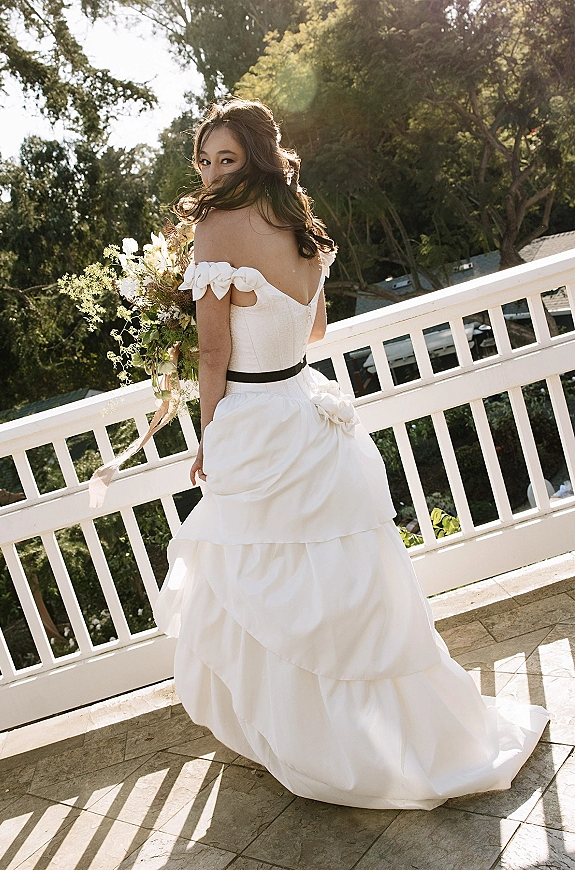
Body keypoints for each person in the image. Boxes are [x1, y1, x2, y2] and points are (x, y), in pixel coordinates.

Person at [154, 99, 548, 810]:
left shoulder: (215, 227)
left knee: (263, 582)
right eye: (204, 162)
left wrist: (208, 437)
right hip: (307, 408)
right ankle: (402, 736)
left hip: (251, 416)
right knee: (339, 582)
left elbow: (215, 352)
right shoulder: (304, 226)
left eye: (226, 159)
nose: (211, 176)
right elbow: (313, 335)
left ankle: (306, 739)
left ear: (257, 158)